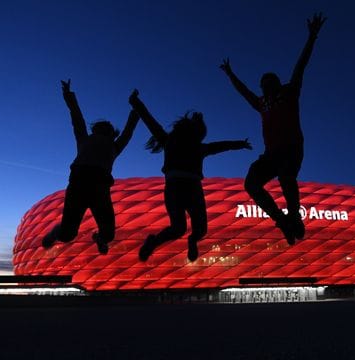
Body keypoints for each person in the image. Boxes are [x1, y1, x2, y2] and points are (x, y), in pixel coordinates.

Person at [220, 12, 326, 244]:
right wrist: (230, 74)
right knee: (251, 183)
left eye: (269, 82)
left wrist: (312, 38)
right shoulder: (262, 103)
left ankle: (294, 217)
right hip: (271, 153)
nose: (265, 86)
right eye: (263, 84)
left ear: (277, 83)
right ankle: (282, 221)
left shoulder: (289, 92)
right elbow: (244, 92)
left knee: (287, 178)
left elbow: (301, 67)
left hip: (291, 148)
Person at [129, 90, 251, 262]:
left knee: (178, 228)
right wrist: (240, 144)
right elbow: (221, 146)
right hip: (192, 188)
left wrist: (135, 102)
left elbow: (150, 121)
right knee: (199, 229)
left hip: (174, 187)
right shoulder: (196, 147)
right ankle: (190, 240)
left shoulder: (170, 141)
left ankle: (157, 241)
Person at [42, 80, 140, 254]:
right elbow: (77, 119)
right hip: (79, 185)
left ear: (111, 133)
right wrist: (68, 95)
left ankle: (100, 239)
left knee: (109, 233)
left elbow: (128, 132)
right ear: (96, 130)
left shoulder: (114, 146)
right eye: (101, 127)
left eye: (107, 128)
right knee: (66, 235)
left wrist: (136, 109)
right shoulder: (84, 139)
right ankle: (57, 231)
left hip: (99, 189)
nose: (104, 129)